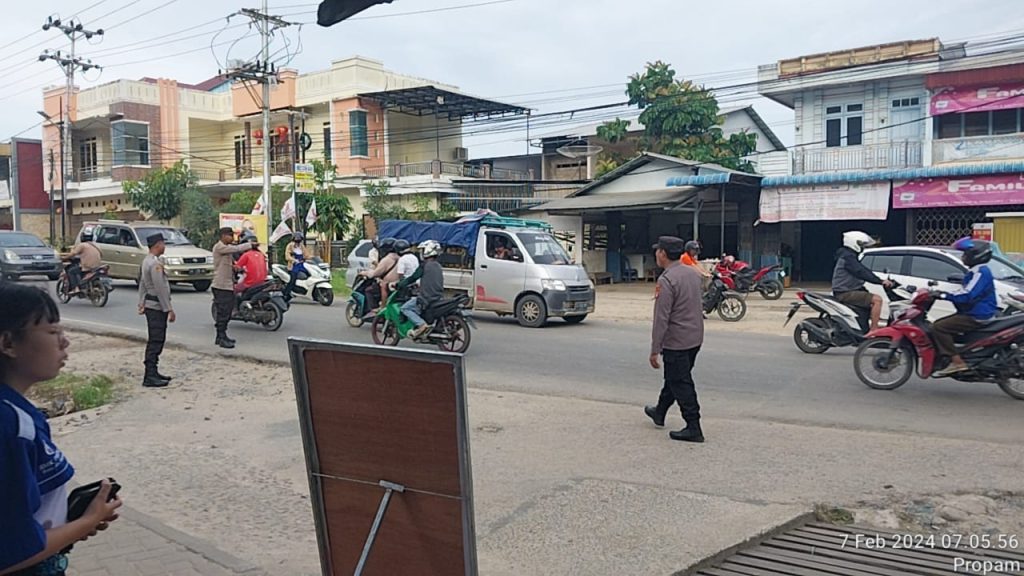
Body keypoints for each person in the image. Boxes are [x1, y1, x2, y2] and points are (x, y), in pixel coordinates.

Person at [0, 283, 124, 575]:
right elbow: (11, 551)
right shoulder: (11, 426)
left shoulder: (18, 412)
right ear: (8, 344)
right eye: (53, 331)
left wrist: (69, 525)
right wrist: (86, 522)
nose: (65, 342)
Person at [645, 236, 706, 443]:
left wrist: (655, 349)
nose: (656, 254)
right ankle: (660, 411)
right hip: (694, 337)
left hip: (677, 341)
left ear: (662, 254)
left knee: (681, 382)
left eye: (658, 251)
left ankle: (693, 426)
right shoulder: (693, 274)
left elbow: (661, 318)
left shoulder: (667, 280)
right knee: (675, 376)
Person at [931, 237, 998, 377]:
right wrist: (941, 293)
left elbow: (968, 295)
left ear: (976, 256)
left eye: (966, 254)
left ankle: (957, 362)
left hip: (977, 314)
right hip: (973, 311)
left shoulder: (980, 272)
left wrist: (943, 295)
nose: (963, 257)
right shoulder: (975, 271)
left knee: (939, 327)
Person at [831, 231, 892, 331]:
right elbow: (861, 271)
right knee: (877, 300)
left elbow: (862, 270)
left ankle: (863, 328)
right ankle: (874, 330)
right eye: (861, 244)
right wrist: (880, 281)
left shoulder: (848, 256)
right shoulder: (848, 257)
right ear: (853, 243)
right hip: (845, 292)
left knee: (868, 302)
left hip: (849, 290)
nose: (863, 247)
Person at [137, 233, 175, 388]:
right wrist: (169, 309)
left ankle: (153, 372)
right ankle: (150, 375)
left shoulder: (146, 261)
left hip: (150, 305)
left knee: (155, 338)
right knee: (156, 340)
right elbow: (160, 289)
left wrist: (141, 302)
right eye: (163, 243)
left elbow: (142, 284)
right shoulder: (155, 264)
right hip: (156, 307)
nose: (164, 247)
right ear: (158, 245)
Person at [212, 227, 257, 350]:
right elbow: (236, 248)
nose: (232, 238)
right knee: (223, 312)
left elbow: (232, 263)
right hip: (221, 285)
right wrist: (249, 245)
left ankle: (221, 336)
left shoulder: (227, 250)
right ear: (223, 236)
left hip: (228, 284)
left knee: (227, 312)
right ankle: (221, 337)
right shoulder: (220, 247)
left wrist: (237, 268)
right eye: (230, 235)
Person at [398, 240, 444, 340]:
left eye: (423, 250)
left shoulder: (424, 265)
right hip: (438, 297)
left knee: (405, 308)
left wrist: (400, 284)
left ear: (428, 251)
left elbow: (412, 278)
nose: (421, 253)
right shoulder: (438, 265)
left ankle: (421, 324)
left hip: (426, 298)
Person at [360, 237, 400, 310]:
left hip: (388, 284)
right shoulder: (401, 258)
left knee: (369, 290)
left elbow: (375, 273)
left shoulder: (387, 259)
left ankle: (374, 310)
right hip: (398, 283)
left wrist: (364, 273)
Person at [233, 233, 267, 300]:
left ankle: (236, 306)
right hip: (262, 282)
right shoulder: (261, 254)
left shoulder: (246, 255)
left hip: (249, 283)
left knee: (234, 290)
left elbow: (237, 267)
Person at [283, 232, 311, 302]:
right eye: (296, 238)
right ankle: (286, 293)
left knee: (309, 274)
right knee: (293, 279)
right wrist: (294, 260)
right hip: (293, 266)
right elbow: (287, 256)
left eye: (299, 238)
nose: (298, 240)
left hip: (301, 265)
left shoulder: (301, 246)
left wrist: (311, 258)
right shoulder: (290, 246)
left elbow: (307, 255)